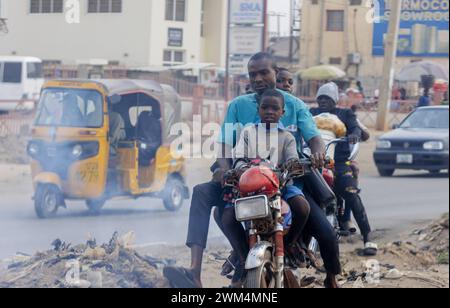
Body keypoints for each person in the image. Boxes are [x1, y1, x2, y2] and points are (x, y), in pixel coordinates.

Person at [164, 52, 341, 289]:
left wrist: (318, 154)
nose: (257, 78)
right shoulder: (238, 106)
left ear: (275, 74)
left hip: (285, 182)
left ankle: (329, 277)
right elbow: (226, 145)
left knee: (326, 233)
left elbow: (314, 138)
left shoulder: (295, 106)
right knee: (203, 193)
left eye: (263, 73)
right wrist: (226, 171)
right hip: (244, 180)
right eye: (252, 74)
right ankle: (196, 271)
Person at [221, 89, 311, 287]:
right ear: (258, 110)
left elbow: (292, 159)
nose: (269, 111)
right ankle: (240, 253)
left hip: (280, 185)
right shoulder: (248, 132)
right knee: (227, 218)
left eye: (274, 108)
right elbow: (238, 158)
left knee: (302, 207)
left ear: (283, 112)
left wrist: (292, 166)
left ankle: (291, 244)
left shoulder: (286, 136)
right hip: (251, 187)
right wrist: (239, 169)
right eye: (265, 107)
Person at [310, 83, 378, 256]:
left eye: (327, 98)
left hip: (339, 161)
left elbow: (355, 127)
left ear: (335, 100)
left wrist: (353, 134)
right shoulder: (311, 113)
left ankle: (368, 237)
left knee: (351, 193)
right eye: (320, 98)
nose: (323, 101)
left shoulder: (345, 114)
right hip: (314, 162)